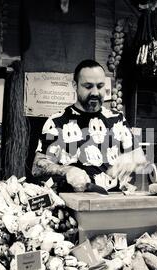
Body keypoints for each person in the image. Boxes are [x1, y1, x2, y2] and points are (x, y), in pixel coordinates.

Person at [32, 59, 148, 192]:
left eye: (100, 86)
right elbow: (37, 166)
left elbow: (139, 156)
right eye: (88, 86)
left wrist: (130, 160)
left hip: (113, 202)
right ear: (75, 85)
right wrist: (66, 170)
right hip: (73, 206)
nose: (95, 92)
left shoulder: (117, 119)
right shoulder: (56, 122)